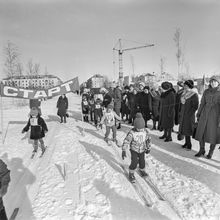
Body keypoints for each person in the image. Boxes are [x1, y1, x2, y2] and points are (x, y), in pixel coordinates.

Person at [194, 75, 220, 159]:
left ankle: (211, 152)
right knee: (201, 132)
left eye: (215, 81)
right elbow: (202, 103)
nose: (213, 83)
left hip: (215, 115)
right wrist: (199, 113)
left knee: (214, 134)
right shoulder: (206, 91)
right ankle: (202, 150)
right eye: (212, 81)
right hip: (205, 114)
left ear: (218, 83)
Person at [121, 113, 151, 182]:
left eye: (141, 128)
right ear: (135, 126)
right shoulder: (132, 132)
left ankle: (142, 170)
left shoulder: (145, 132)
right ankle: (131, 173)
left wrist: (148, 148)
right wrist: (124, 150)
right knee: (134, 162)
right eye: (138, 128)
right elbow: (127, 140)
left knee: (142, 161)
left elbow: (148, 140)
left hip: (142, 149)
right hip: (134, 149)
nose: (140, 130)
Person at [178, 80, 199, 150]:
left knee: (188, 129)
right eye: (184, 86)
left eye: (186, 86)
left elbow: (195, 106)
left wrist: (189, 113)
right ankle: (186, 142)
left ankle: (189, 145)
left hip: (189, 115)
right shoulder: (184, 93)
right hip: (183, 114)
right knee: (184, 129)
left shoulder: (194, 94)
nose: (184, 87)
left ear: (190, 86)